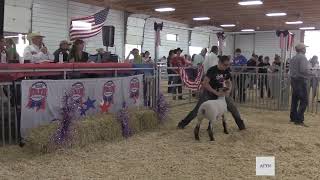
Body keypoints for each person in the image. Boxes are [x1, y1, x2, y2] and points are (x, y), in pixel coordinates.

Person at [177, 55, 246, 130]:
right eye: (225, 65)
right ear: (219, 62)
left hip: (220, 93)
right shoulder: (212, 70)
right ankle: (182, 124)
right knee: (198, 110)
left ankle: (241, 125)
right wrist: (215, 92)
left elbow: (229, 82)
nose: (227, 66)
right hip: (209, 93)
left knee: (233, 107)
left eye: (228, 65)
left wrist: (229, 90)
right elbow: (205, 83)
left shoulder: (226, 70)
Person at [289, 43, 313, 126]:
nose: (305, 49)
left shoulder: (293, 58)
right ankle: (299, 120)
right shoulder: (303, 57)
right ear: (302, 49)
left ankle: (293, 117)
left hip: (293, 80)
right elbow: (303, 70)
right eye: (304, 48)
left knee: (295, 100)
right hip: (300, 80)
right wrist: (311, 73)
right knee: (304, 101)